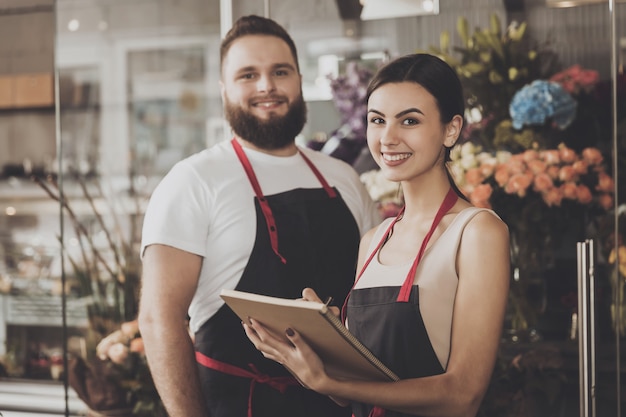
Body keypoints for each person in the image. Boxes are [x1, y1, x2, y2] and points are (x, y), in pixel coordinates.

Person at [137, 14, 380, 417]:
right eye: (248, 75)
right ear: (224, 90)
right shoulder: (193, 180)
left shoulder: (344, 178)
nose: (266, 86)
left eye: (279, 72)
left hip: (343, 406)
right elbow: (158, 320)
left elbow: (373, 300)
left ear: (300, 80)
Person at [244, 53, 511, 417]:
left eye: (410, 120)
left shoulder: (477, 231)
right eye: (377, 120)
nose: (388, 138)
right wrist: (317, 352)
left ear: (451, 129)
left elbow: (463, 394)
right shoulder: (374, 239)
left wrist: (331, 383)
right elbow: (357, 393)